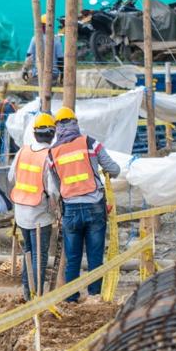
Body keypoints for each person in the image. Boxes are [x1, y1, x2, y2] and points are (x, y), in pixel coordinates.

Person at [51, 106, 120, 302]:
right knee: (95, 255)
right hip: (94, 206)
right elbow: (113, 169)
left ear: (57, 127)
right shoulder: (90, 143)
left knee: (72, 257)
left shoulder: (52, 153)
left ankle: (71, 298)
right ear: (75, 123)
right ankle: (94, 296)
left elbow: (57, 185)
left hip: (70, 210)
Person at [8, 112, 60, 300]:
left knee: (28, 252)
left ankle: (26, 292)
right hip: (39, 214)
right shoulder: (48, 155)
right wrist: (57, 207)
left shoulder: (23, 151)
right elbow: (53, 190)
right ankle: (35, 295)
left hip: (21, 212)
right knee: (40, 256)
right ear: (52, 133)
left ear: (35, 133)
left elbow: (10, 177)